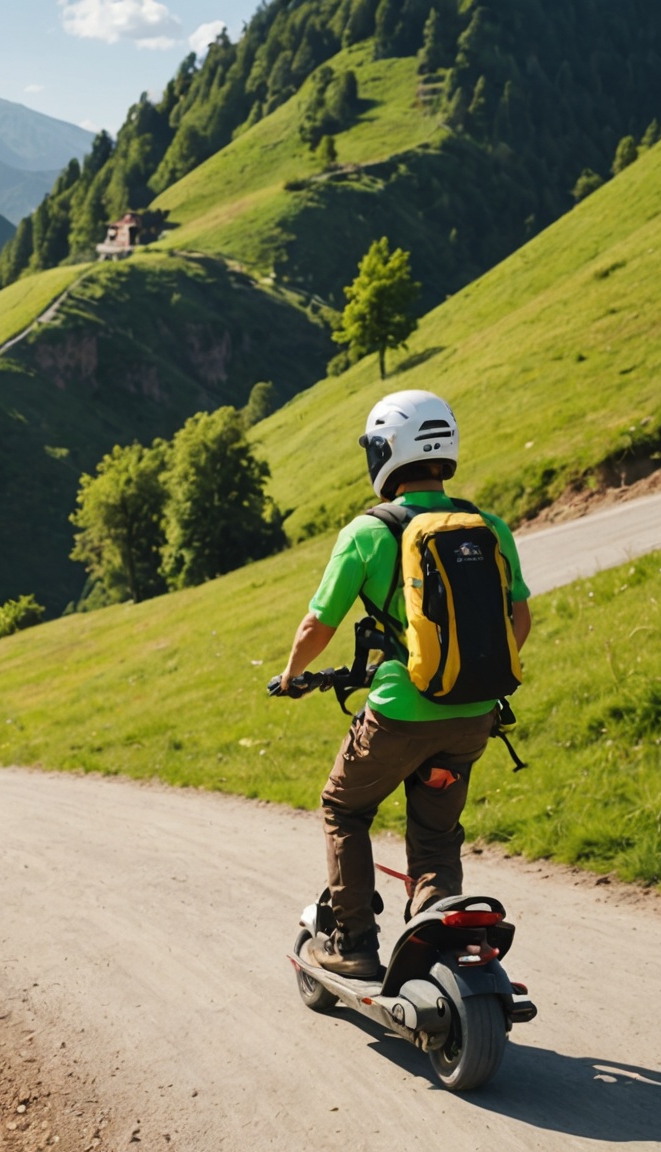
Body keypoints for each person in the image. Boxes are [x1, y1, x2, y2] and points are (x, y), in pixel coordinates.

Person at [272, 390, 531, 979]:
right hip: (473, 717)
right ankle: (441, 931)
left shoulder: (368, 533)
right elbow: (519, 620)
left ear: (386, 453)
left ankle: (353, 939)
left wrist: (290, 677)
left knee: (344, 807)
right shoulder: (487, 527)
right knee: (437, 833)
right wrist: (474, 674)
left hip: (397, 715)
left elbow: (318, 624)